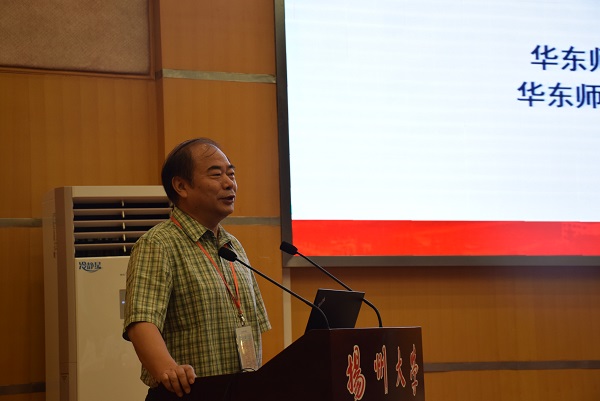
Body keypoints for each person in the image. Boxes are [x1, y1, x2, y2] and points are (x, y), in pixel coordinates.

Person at [123, 137, 271, 399]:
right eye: (216, 174)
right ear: (181, 186)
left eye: (231, 174)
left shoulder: (232, 246)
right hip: (187, 394)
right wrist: (168, 370)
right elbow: (141, 321)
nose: (229, 183)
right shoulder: (159, 244)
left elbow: (251, 323)